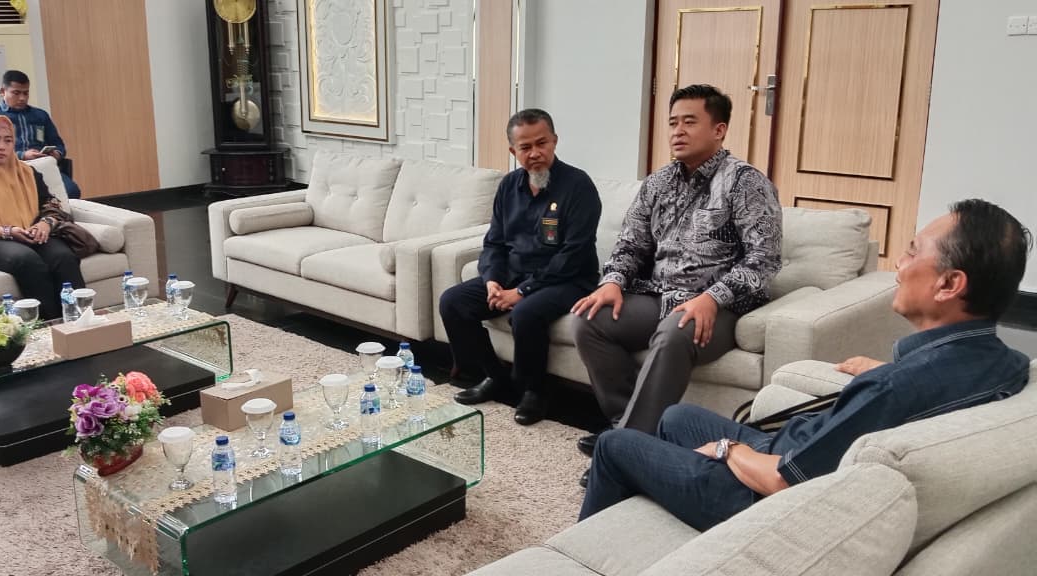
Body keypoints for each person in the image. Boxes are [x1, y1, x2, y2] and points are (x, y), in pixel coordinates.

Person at [580, 200, 1032, 530]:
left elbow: (784, 481)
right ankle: (646, 522)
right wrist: (879, 370)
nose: (898, 263)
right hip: (797, 448)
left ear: (949, 284)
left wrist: (726, 450)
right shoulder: (1007, 363)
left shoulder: (892, 389)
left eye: (913, 252)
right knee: (676, 416)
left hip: (759, 493)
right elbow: (928, 390)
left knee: (616, 445)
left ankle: (583, 552)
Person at [570, 85, 782, 458]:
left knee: (673, 333)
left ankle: (626, 452)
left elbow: (764, 259)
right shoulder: (658, 182)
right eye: (672, 123)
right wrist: (613, 282)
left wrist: (712, 298)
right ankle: (628, 426)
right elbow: (631, 244)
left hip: (720, 307)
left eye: (689, 122)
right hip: (659, 295)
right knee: (589, 320)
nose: (677, 131)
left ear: (718, 130)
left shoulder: (745, 182)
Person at [440, 109, 602, 425]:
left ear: (554, 141)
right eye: (525, 147)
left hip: (569, 278)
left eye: (542, 143)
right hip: (515, 273)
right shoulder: (508, 186)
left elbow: (574, 254)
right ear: (513, 151)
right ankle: (493, 376)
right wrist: (492, 280)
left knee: (525, 313)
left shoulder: (578, 186)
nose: (535, 153)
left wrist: (522, 291)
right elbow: (494, 242)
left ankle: (534, 391)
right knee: (453, 301)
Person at [0, 114, 84, 320]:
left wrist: (45, 224)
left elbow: (52, 204)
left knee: (63, 257)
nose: (2, 147)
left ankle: (82, 321)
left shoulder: (28, 172)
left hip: (32, 232)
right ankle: (51, 326)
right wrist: (8, 231)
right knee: (26, 261)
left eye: (8, 140)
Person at [0, 70, 82, 199]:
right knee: (25, 196)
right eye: (16, 93)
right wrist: (22, 155)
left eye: (26, 93)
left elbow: (58, 144)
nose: (22, 98)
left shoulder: (40, 115)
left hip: (43, 167)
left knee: (72, 191)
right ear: (3, 92)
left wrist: (56, 154)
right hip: (10, 168)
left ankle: (54, 211)